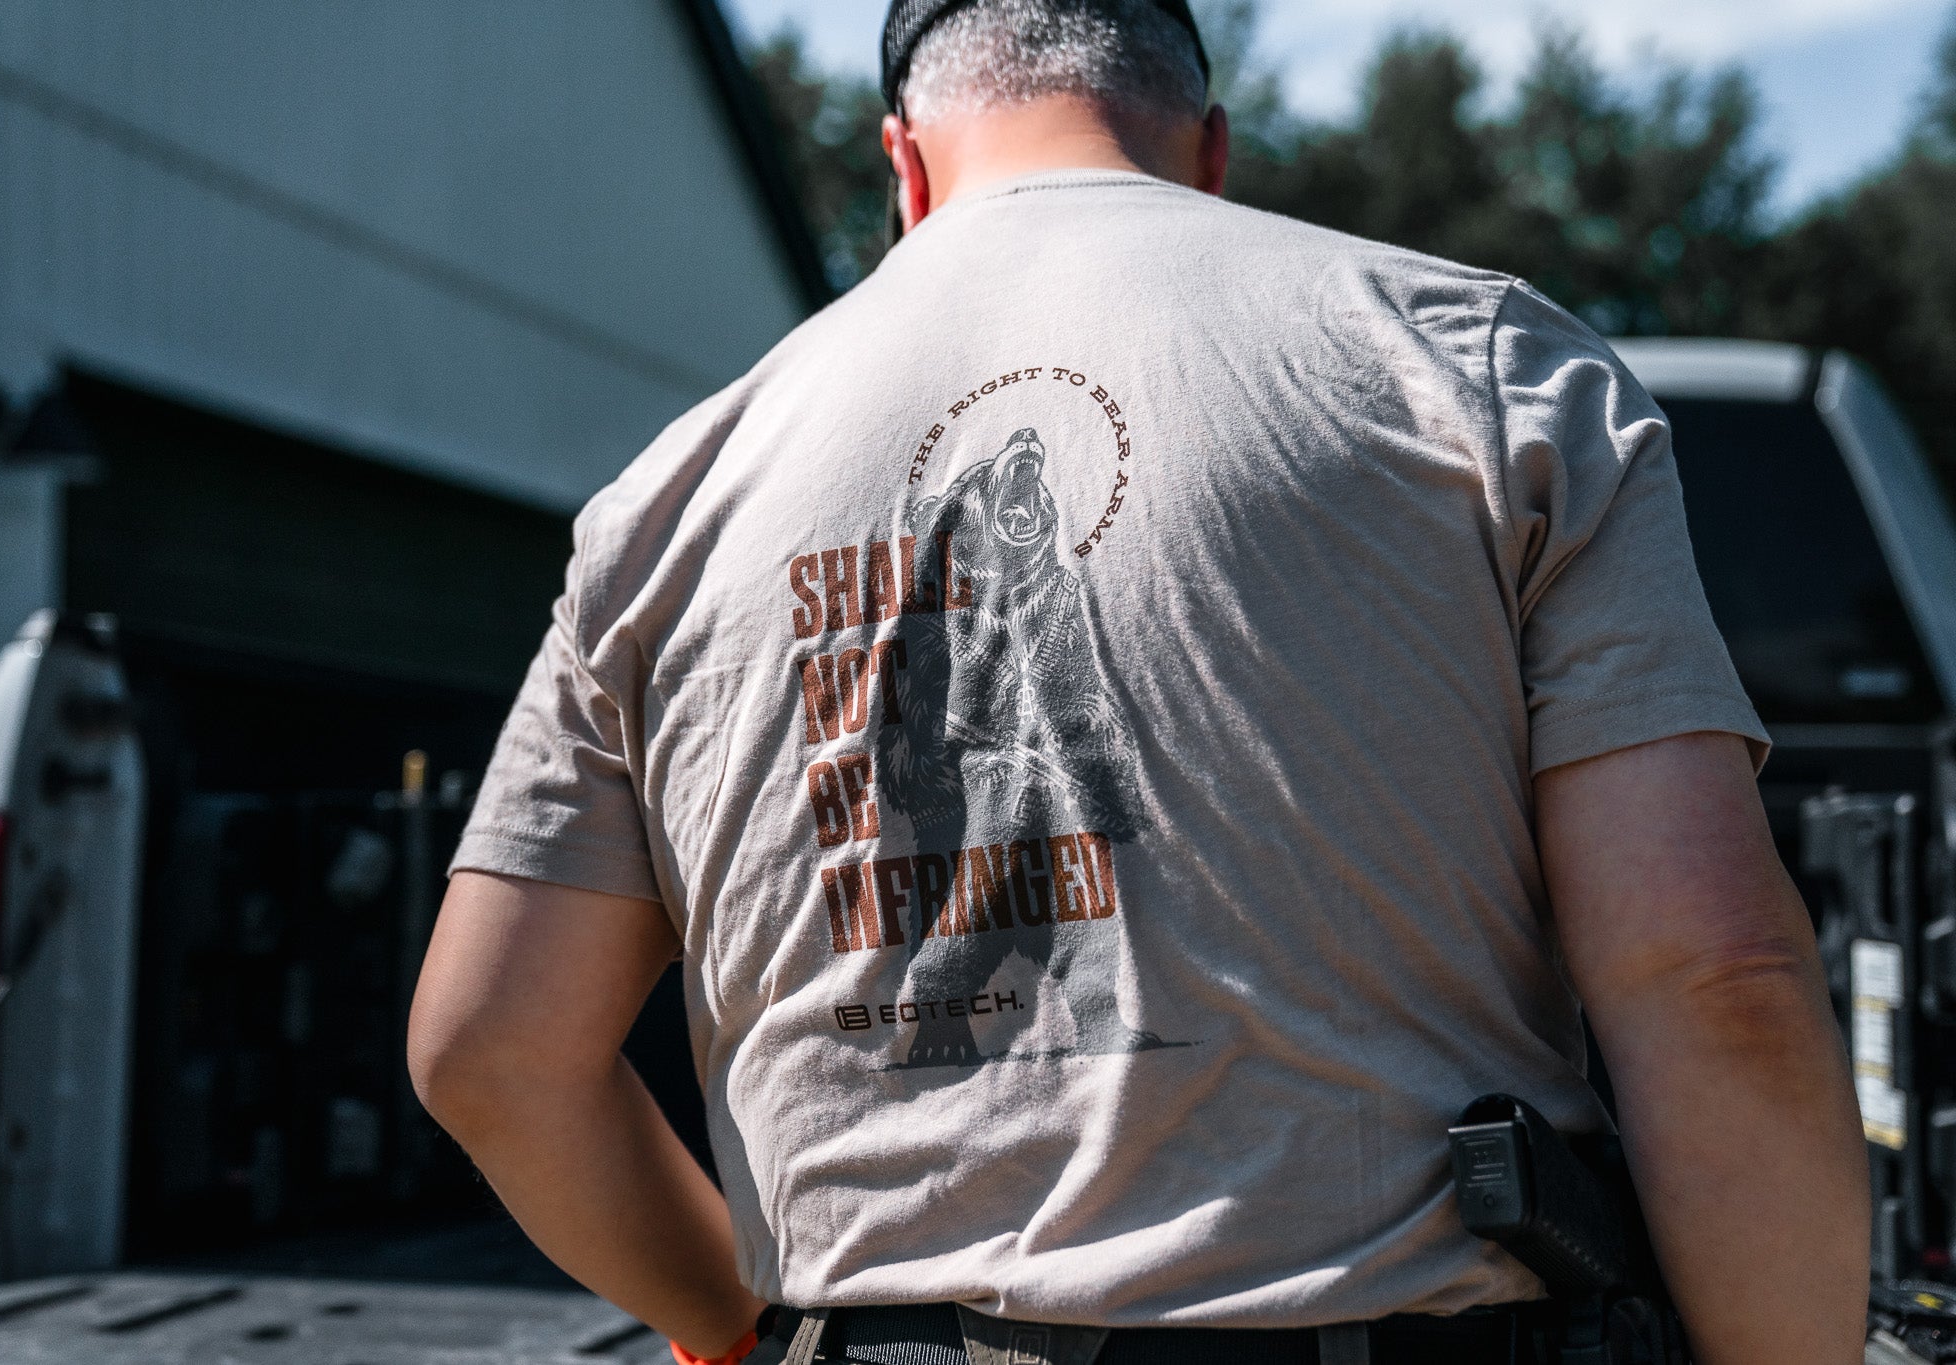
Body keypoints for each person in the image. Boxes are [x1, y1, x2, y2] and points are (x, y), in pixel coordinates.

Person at [406, 1, 1869, 1361]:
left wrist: (733, 1322)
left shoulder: (669, 501)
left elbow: (487, 1046)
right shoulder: (1484, 368)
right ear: (1209, 153)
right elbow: (1715, 978)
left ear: (902, 167)